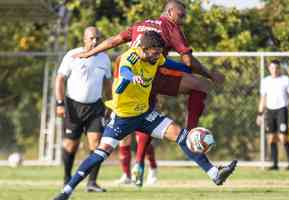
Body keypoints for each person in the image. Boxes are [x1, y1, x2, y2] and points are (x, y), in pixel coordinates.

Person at [53, 31, 237, 200]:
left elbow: (176, 65)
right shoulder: (129, 59)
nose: (158, 56)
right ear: (143, 49)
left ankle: (215, 174)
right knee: (100, 154)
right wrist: (130, 78)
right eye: (155, 53)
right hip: (123, 118)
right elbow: (125, 73)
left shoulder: (155, 58)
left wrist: (203, 72)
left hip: (144, 114)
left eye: (160, 53)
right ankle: (66, 191)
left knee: (182, 136)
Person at [74, 0, 224, 186]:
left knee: (140, 119)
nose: (183, 20)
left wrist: (90, 53)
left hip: (124, 72)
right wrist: (210, 75)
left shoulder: (141, 24)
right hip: (148, 72)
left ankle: (135, 168)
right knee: (200, 86)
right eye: (181, 15)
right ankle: (191, 136)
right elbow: (188, 61)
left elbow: (114, 40)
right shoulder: (171, 27)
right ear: (170, 12)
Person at [55, 26, 112, 192]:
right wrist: (59, 103)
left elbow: (108, 84)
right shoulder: (72, 55)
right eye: (92, 38)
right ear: (84, 39)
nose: (95, 41)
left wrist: (110, 104)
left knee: (97, 144)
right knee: (70, 145)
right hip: (73, 106)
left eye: (98, 38)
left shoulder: (104, 58)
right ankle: (67, 179)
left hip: (95, 107)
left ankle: (92, 183)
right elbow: (59, 80)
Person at [256, 60, 289, 170]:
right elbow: (263, 98)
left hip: (282, 110)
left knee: (283, 138)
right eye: (272, 68)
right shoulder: (265, 81)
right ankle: (275, 164)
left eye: (277, 68)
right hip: (270, 111)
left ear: (280, 68)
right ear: (269, 68)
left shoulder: (285, 80)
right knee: (271, 138)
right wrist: (259, 114)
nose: (274, 70)